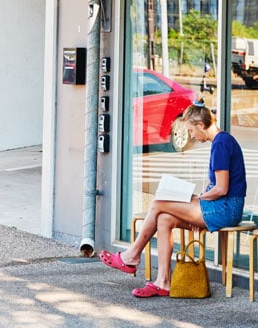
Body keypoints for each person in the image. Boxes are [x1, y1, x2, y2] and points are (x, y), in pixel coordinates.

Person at [100, 101, 247, 297]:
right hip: (221, 206)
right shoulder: (222, 141)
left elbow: (221, 188)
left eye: (192, 131)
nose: (192, 136)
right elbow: (216, 187)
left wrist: (198, 200)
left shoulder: (221, 144)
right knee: (164, 219)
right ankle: (163, 282)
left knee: (158, 203)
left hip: (226, 209)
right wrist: (194, 210)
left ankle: (132, 255)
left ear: (202, 125)